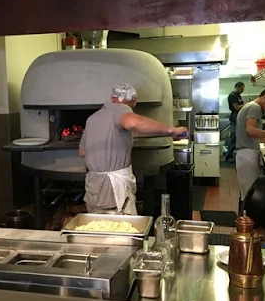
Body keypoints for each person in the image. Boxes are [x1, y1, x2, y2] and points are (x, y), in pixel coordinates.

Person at [79, 82, 188, 214]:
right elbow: (132, 122)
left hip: (92, 185)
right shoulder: (121, 109)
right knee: (121, 229)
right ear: (134, 102)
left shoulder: (92, 118)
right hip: (113, 188)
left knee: (97, 227)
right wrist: (172, 131)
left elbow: (82, 151)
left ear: (112, 97)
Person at [235, 87, 265, 203]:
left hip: (244, 154)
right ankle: (246, 220)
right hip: (247, 155)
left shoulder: (250, 106)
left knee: (247, 194)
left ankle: (245, 219)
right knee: (251, 196)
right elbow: (250, 130)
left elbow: (251, 133)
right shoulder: (255, 107)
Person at [225, 82, 245, 162]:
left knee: (237, 137)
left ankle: (233, 155)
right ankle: (229, 155)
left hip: (238, 118)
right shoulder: (232, 95)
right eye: (241, 89)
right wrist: (247, 105)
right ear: (237, 87)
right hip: (234, 118)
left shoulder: (238, 96)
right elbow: (236, 108)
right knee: (233, 136)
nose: (242, 91)